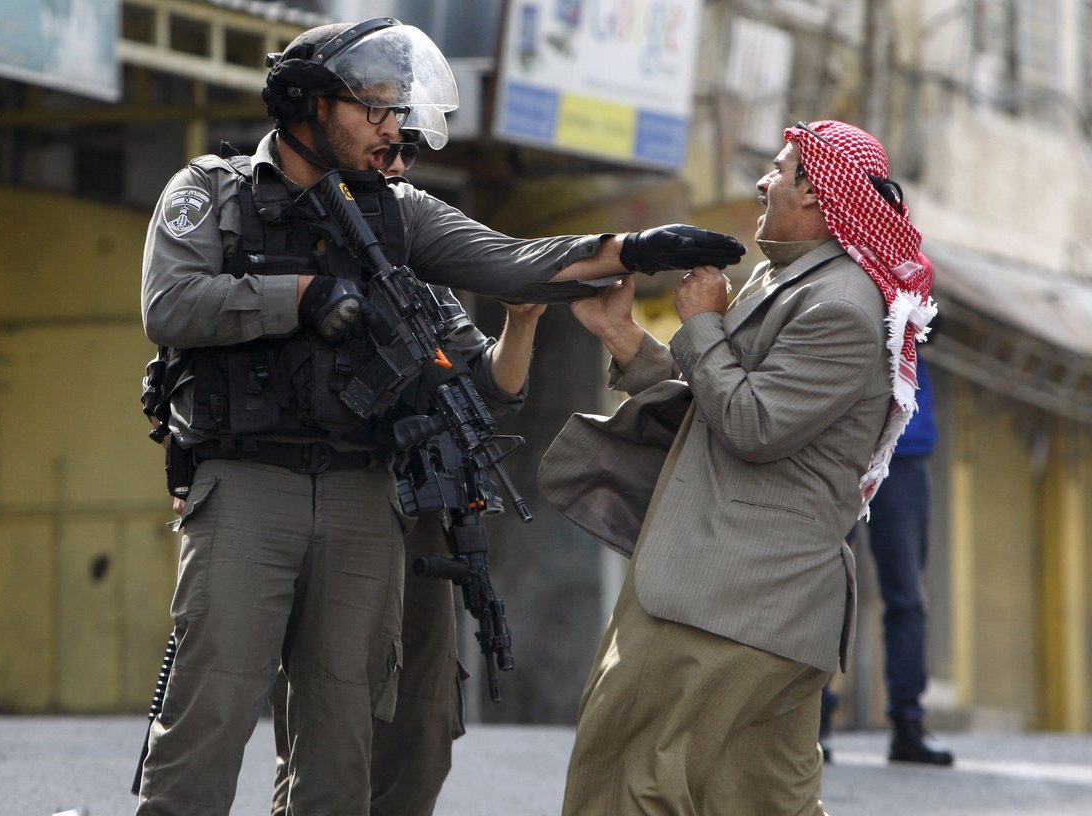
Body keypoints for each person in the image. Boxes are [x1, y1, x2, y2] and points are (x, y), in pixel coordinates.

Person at [134, 17, 745, 816]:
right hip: (247, 485)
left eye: (396, 108)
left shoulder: (398, 214)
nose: (392, 126)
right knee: (206, 714)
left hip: (363, 493)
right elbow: (169, 305)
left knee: (344, 730)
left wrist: (633, 249)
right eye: (373, 107)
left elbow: (513, 260)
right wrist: (304, 297)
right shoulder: (209, 193)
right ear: (307, 103)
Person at [539, 120, 936, 814]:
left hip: (730, 602)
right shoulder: (792, 281)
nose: (761, 182)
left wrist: (701, 324)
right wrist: (628, 339)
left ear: (817, 197)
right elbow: (715, 405)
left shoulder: (840, 305)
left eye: (779, 170)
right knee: (759, 801)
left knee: (629, 783)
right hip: (756, 610)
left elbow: (753, 425)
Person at [268, 134, 549, 816]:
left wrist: (523, 319)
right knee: (328, 727)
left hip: (417, 508)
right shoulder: (280, 235)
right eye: (384, 151)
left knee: (424, 718)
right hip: (327, 495)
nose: (393, 167)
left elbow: (487, 383)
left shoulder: (415, 256)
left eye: (406, 158)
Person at [819, 351, 953, 767]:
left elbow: (933, 319)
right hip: (837, 440)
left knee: (906, 595)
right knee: (822, 588)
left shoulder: (914, 282)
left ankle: (908, 725)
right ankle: (812, 724)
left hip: (903, 446)